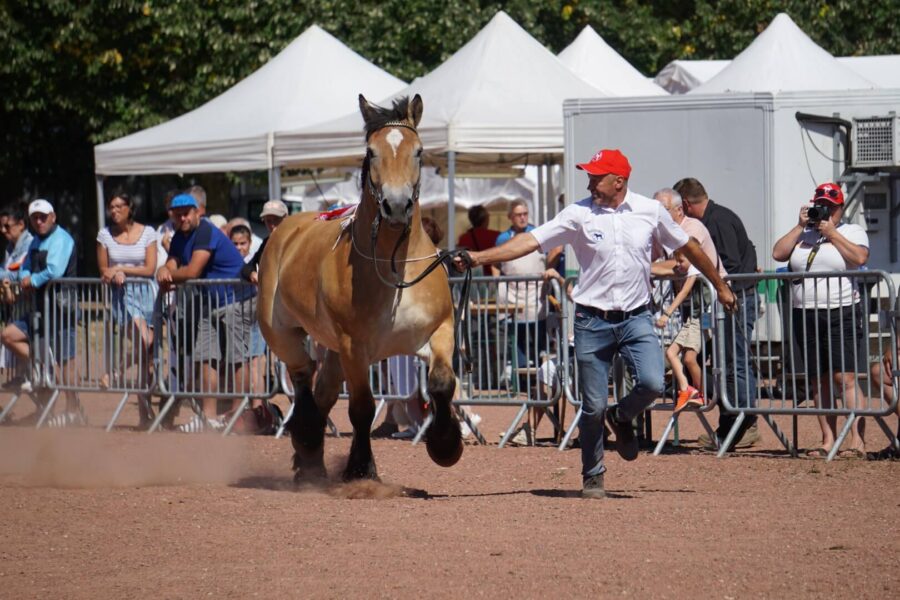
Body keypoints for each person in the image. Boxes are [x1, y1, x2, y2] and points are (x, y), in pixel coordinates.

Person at [454, 149, 735, 498]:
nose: (589, 182)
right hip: (591, 319)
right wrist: (479, 256)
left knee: (650, 382)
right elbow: (531, 240)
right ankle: (593, 474)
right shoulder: (578, 214)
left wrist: (720, 285)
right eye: (589, 176)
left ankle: (622, 416)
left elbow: (689, 246)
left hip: (636, 317)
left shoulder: (650, 211)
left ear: (619, 182)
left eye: (596, 176)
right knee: (591, 406)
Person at [772, 182, 869, 458]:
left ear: (840, 208)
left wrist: (832, 233)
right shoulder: (804, 235)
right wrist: (799, 226)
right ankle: (828, 440)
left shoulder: (851, 231)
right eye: (820, 206)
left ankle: (856, 442)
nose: (825, 211)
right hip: (807, 312)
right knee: (819, 380)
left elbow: (860, 257)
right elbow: (778, 253)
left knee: (846, 378)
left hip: (842, 310)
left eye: (831, 207)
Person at [157, 193, 256, 432]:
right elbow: (173, 261)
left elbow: (192, 271)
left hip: (236, 298)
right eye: (177, 214)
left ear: (196, 212)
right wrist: (163, 269)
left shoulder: (206, 232)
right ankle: (209, 419)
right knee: (205, 357)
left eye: (186, 212)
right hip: (209, 301)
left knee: (237, 359)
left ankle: (238, 416)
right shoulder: (180, 236)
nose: (182, 217)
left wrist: (168, 276)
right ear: (172, 215)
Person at [676, 177, 761, 451]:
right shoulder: (718, 217)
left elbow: (731, 265)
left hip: (736, 299)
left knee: (735, 362)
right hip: (731, 299)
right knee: (726, 361)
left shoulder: (718, 221)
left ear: (686, 204)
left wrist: (723, 289)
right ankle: (732, 424)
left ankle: (744, 424)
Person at [0, 199, 81, 426]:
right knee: (9, 335)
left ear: (53, 216)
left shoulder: (62, 239)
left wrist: (32, 280)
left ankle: (74, 410)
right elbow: (25, 266)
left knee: (67, 363)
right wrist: (22, 275)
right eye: (35, 217)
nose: (39, 221)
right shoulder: (35, 240)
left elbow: (55, 269)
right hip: (39, 310)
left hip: (62, 309)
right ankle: (46, 371)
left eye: (43, 217)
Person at [96, 192, 159, 428]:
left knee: (149, 355)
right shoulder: (104, 235)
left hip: (147, 293)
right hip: (123, 297)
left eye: (119, 206)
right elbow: (104, 269)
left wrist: (122, 268)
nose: (114, 211)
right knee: (144, 340)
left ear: (129, 208)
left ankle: (144, 409)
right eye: (111, 207)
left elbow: (150, 268)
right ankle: (121, 376)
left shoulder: (148, 232)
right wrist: (113, 272)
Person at [495, 200, 549, 376]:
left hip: (536, 295)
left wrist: (548, 272)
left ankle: (538, 376)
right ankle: (522, 378)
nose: (523, 217)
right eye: (519, 214)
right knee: (516, 339)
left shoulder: (538, 234)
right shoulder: (503, 238)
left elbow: (555, 250)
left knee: (537, 340)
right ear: (511, 217)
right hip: (512, 296)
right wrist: (498, 281)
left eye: (525, 213)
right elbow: (495, 262)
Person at [457, 205, 499, 275]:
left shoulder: (463, 238)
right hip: (491, 277)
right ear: (485, 219)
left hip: (472, 278)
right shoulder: (496, 236)